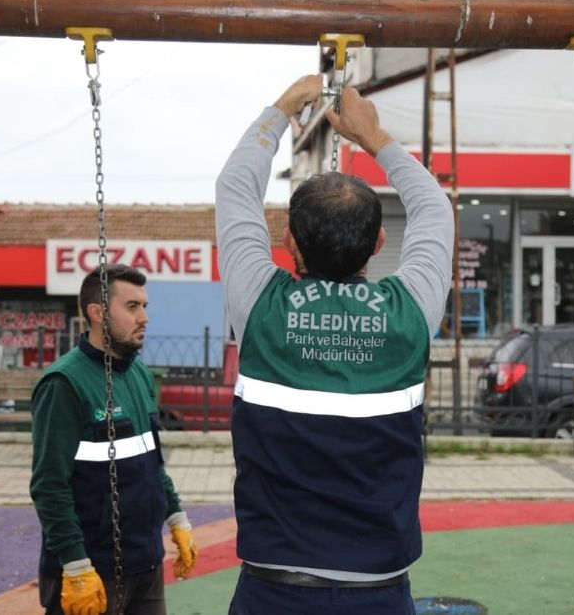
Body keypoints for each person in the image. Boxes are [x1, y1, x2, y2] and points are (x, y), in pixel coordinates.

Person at [216, 75, 454, 614]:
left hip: (273, 590)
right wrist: (375, 137)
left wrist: (282, 109)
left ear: (288, 243)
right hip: (378, 593)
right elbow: (434, 209)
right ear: (378, 243)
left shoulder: (259, 305)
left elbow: (235, 187)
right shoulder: (411, 311)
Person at [29, 264, 198, 615]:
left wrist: (177, 518)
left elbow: (153, 462)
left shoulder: (139, 373)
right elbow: (49, 485)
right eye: (132, 307)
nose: (144, 318)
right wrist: (75, 565)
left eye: (144, 306)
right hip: (92, 570)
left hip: (146, 563)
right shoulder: (64, 384)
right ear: (97, 313)